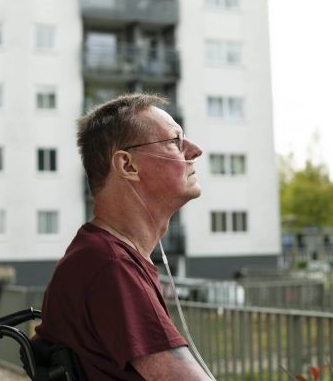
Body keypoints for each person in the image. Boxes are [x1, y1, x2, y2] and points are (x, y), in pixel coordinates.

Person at [35, 93, 211, 380]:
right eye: (174, 141)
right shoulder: (110, 266)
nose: (194, 150)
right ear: (128, 166)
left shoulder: (99, 255)